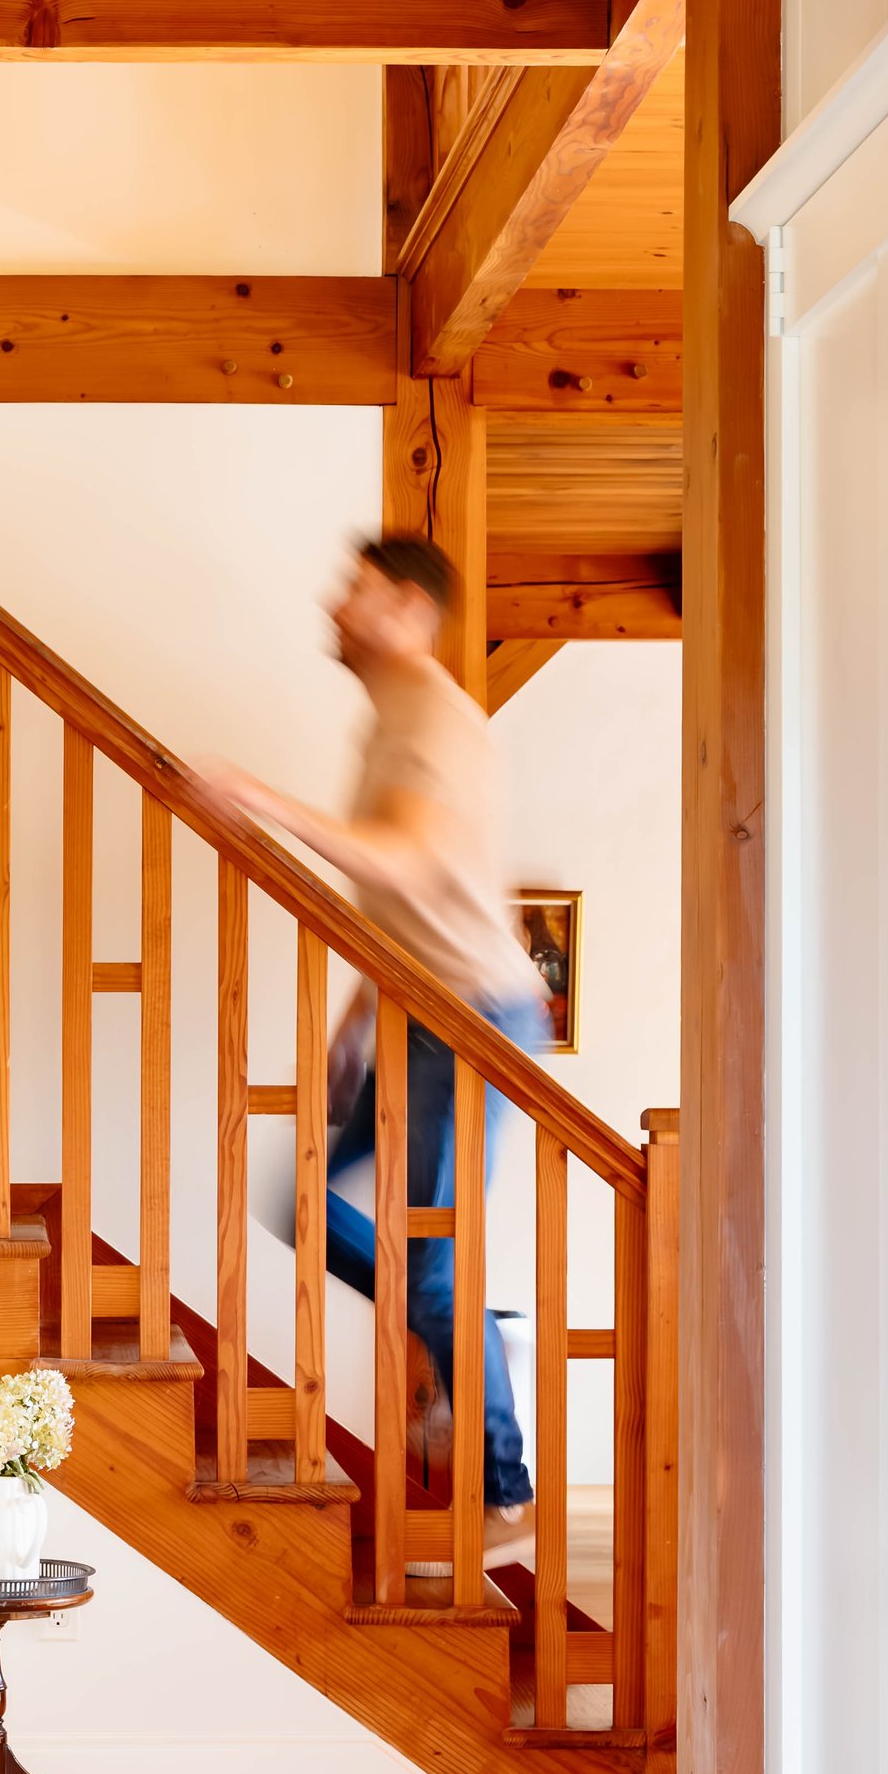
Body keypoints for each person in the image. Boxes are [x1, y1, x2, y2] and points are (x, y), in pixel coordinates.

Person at [191, 537, 549, 1531]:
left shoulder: (434, 715)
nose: (334, 602)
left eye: (355, 590)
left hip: (469, 1016)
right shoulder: (389, 716)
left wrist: (254, 798)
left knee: (432, 1264)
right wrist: (356, 1017)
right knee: (303, 1206)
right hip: (410, 1006)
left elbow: (405, 858)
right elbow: (403, 901)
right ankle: (452, 1347)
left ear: (407, 609)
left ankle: (500, 1481)